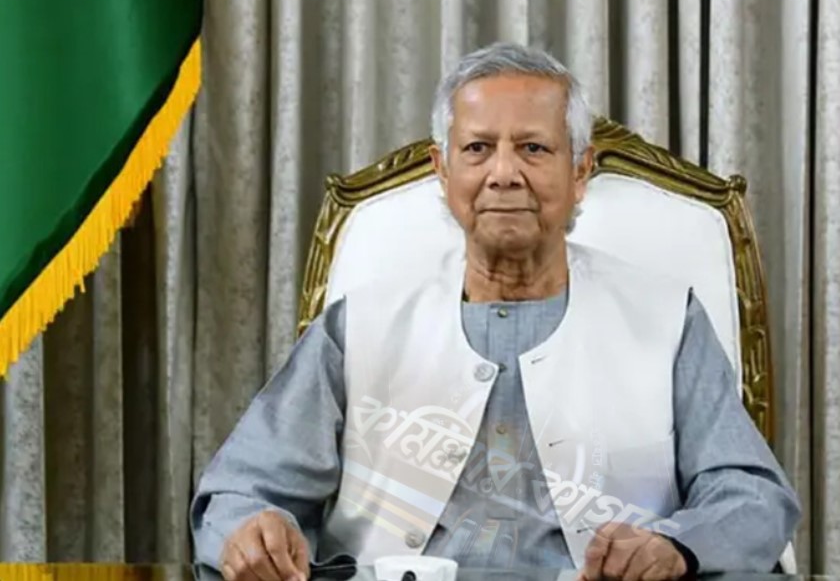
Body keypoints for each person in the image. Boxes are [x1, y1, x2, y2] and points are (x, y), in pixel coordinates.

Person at [191, 42, 800, 581]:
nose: (504, 174)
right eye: (478, 148)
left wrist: (676, 547)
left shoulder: (667, 318)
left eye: (533, 148)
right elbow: (239, 493)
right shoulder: (362, 323)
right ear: (443, 170)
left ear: (580, 170)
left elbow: (751, 496)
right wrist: (253, 532)